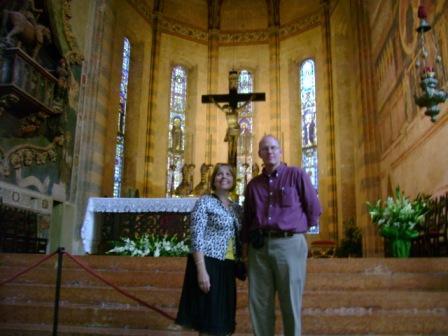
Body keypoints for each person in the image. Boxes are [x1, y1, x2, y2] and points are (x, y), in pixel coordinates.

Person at [242, 135, 322, 336]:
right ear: (259, 154)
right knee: (259, 303)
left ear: (280, 151)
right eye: (265, 149)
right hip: (259, 248)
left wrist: (297, 231)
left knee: (290, 302)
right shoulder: (253, 186)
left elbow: (314, 208)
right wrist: (245, 250)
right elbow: (248, 219)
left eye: (274, 148)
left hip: (289, 244)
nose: (270, 152)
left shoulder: (296, 175)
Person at [176, 163, 243, 335]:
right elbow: (196, 237)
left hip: (227, 266)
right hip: (208, 264)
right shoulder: (204, 202)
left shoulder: (237, 208)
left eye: (228, 174)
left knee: (224, 320)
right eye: (219, 174)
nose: (224, 177)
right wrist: (201, 271)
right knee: (209, 321)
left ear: (234, 180)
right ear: (213, 180)